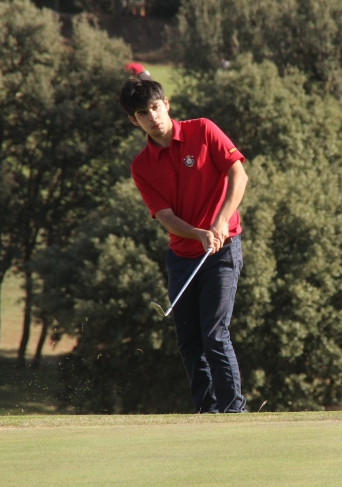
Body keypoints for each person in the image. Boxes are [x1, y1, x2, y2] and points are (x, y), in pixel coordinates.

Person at [119, 74, 248, 413]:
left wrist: (220, 221)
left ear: (166, 104)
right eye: (143, 114)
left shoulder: (203, 130)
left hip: (222, 251)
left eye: (155, 107)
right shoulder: (141, 166)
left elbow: (238, 174)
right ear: (134, 121)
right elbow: (164, 216)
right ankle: (206, 414)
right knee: (190, 343)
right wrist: (198, 233)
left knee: (215, 335)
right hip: (182, 257)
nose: (153, 117)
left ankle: (234, 413)